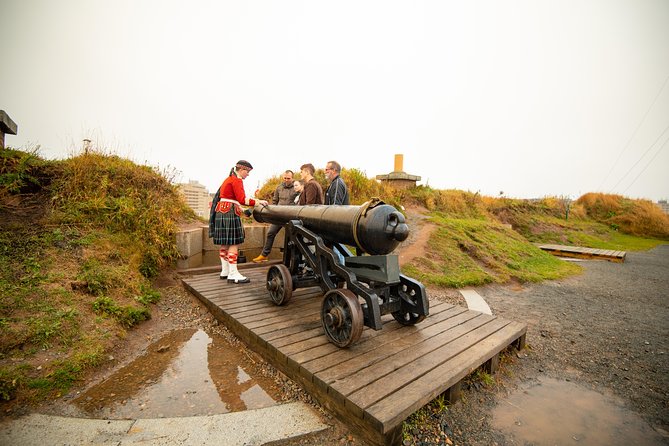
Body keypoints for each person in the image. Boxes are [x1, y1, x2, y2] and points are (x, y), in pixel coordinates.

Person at [210, 160, 268, 284]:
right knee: (233, 243)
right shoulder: (236, 180)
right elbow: (242, 199)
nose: (248, 174)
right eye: (247, 172)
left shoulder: (228, 179)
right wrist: (258, 201)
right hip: (230, 212)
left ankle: (225, 271)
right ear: (241, 170)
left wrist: (242, 210)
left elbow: (230, 199)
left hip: (221, 211)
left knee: (225, 244)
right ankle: (233, 274)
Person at [252, 170, 299, 263]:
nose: (286, 180)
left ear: (292, 178)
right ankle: (264, 255)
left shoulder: (296, 187)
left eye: (288, 178)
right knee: (270, 233)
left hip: (291, 216)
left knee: (291, 237)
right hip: (278, 215)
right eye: (284, 178)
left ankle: (292, 259)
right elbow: (275, 201)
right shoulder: (279, 187)